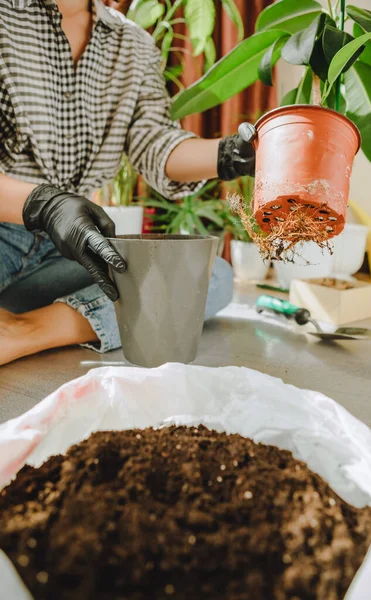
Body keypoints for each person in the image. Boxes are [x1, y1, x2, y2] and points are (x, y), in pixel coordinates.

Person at [0, 0, 255, 366]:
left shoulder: (133, 44)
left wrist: (228, 155)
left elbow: (154, 143)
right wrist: (46, 205)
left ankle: (25, 329)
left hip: (65, 250)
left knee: (210, 276)